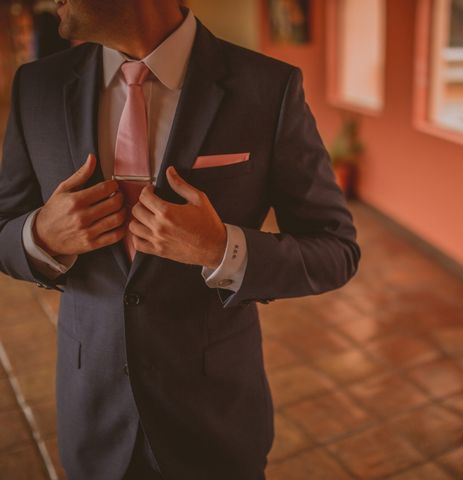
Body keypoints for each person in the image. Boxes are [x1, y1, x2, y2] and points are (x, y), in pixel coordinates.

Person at [0, 0, 360, 478]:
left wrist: (221, 249)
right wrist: (40, 235)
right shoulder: (36, 86)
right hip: (91, 412)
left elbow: (337, 248)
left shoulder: (268, 87)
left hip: (214, 418)